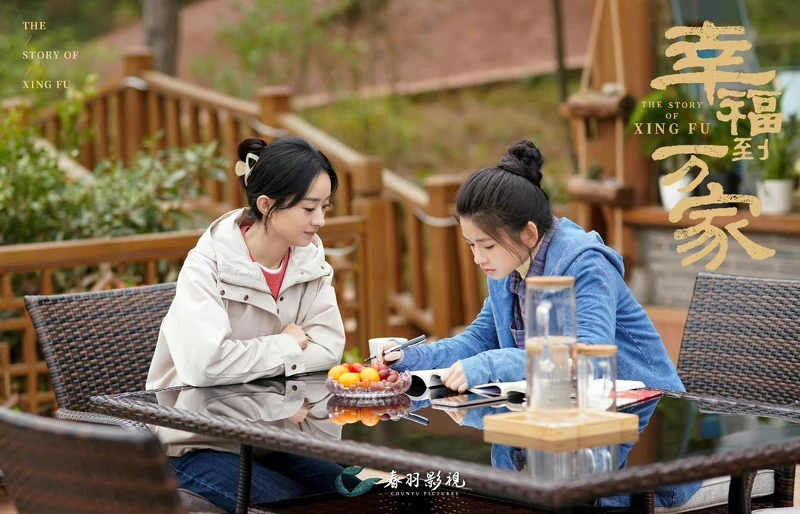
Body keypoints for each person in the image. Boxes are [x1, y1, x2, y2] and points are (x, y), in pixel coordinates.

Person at [377, 139, 685, 397]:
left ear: (528, 234)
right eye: (471, 245)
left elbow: (587, 358)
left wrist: (490, 365)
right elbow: (479, 341)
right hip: (562, 409)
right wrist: (409, 357)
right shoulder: (509, 266)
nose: (478, 258)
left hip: (645, 411)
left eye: (487, 246)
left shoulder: (586, 263)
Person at [146, 135, 353, 510]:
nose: (320, 220)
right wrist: (287, 344)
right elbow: (205, 365)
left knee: (354, 492)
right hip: (195, 442)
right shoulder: (206, 265)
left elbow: (327, 349)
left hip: (275, 436)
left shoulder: (309, 260)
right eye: (309, 208)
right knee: (292, 504)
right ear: (266, 204)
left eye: (325, 207)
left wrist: (249, 357)